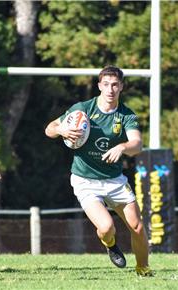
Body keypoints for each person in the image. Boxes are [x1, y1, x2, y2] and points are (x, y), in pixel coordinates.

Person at [45, 65, 152, 277]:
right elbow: (49, 128)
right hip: (85, 181)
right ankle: (111, 245)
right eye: (106, 84)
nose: (110, 89)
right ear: (99, 86)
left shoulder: (126, 115)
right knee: (106, 227)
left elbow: (137, 143)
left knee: (138, 227)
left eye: (115, 85)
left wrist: (122, 147)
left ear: (121, 86)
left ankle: (143, 270)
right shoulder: (83, 109)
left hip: (114, 180)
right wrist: (61, 129)